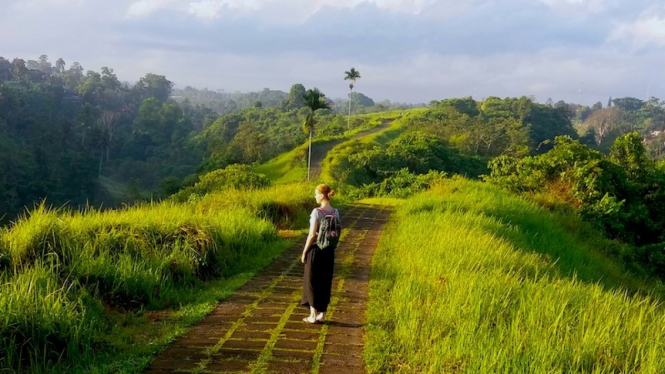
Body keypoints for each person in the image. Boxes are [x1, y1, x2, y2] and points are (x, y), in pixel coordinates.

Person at [300, 184, 340, 324]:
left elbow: (311, 235)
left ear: (322, 195)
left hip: (316, 250)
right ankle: (322, 314)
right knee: (325, 280)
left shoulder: (316, 212)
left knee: (311, 281)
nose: (315, 196)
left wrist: (304, 252)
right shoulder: (335, 212)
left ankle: (312, 315)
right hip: (329, 252)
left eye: (316, 194)